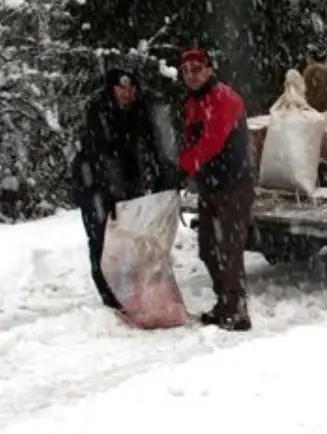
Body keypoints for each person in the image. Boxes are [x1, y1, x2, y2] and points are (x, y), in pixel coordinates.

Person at [70, 64, 179, 310]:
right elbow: (103, 155)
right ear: (112, 89)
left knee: (130, 238)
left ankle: (132, 292)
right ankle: (110, 298)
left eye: (131, 88)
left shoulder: (142, 108)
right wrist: (116, 195)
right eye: (121, 88)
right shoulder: (98, 110)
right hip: (94, 182)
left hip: (128, 180)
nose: (126, 94)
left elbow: (158, 145)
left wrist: (165, 176)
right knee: (101, 238)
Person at [178, 45, 255, 331]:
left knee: (229, 249)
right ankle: (225, 301)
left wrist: (183, 167)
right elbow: (191, 142)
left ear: (209, 69)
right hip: (210, 185)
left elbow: (211, 142)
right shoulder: (193, 102)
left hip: (235, 183)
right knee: (208, 249)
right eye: (185, 71)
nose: (191, 75)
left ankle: (237, 309)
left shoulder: (224, 98)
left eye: (197, 69)